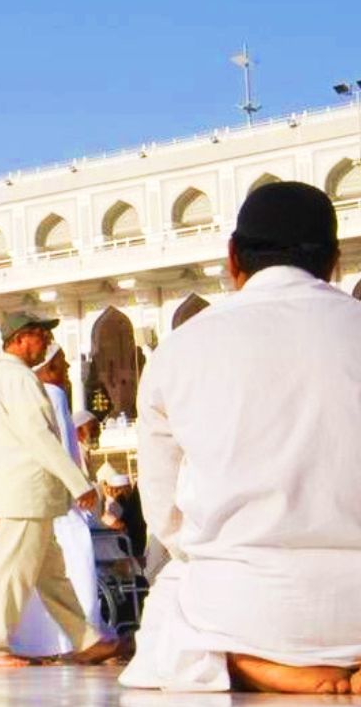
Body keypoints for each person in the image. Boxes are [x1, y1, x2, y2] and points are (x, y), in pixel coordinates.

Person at [121, 181, 361, 695]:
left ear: (233, 259)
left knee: (171, 599)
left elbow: (166, 518)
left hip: (246, 610)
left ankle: (252, 664)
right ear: (335, 261)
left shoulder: (180, 349)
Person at [0, 311, 115, 668]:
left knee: (51, 574)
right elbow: (39, 437)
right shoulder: (18, 379)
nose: (46, 342)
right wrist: (78, 482)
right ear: (18, 339)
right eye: (39, 335)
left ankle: (85, 639)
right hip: (27, 492)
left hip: (18, 493)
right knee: (13, 571)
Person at [36, 345, 108, 648]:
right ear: (48, 368)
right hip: (63, 502)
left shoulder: (35, 394)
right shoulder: (54, 394)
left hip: (43, 499)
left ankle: (69, 639)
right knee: (76, 565)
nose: (67, 370)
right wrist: (79, 486)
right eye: (62, 365)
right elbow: (63, 448)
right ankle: (84, 635)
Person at [100, 472, 146, 563]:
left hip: (129, 548)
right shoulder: (115, 504)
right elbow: (109, 520)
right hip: (124, 550)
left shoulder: (124, 504)